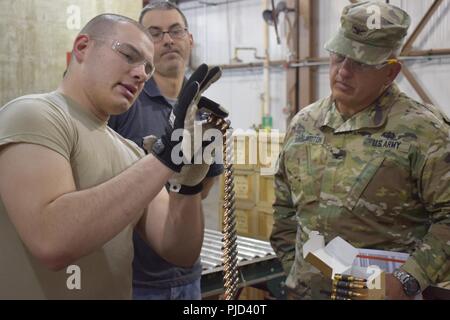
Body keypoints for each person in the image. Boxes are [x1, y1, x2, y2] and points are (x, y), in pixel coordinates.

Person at [0, 13, 225, 299]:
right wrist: (164, 157)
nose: (142, 73)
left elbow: (179, 250)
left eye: (147, 67)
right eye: (128, 55)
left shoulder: (130, 152)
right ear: (83, 47)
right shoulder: (34, 115)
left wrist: (189, 186)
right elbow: (52, 241)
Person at [270, 1, 450, 300]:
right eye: (339, 56)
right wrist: (296, 269)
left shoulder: (426, 133)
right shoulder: (305, 124)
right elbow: (284, 207)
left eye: (361, 63)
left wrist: (408, 279)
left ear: (391, 73)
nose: (343, 71)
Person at [108, 1, 223, 300]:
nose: (168, 40)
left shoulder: (205, 111)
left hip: (188, 275)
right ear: (144, 46)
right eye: (155, 34)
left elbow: (203, 189)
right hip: (135, 279)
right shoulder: (124, 102)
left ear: (189, 39)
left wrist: (193, 173)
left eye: (175, 31)